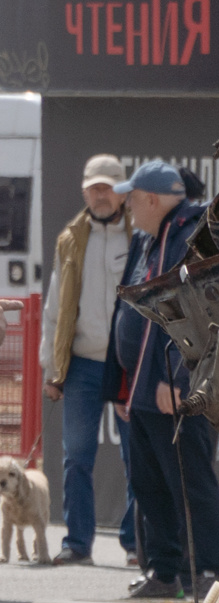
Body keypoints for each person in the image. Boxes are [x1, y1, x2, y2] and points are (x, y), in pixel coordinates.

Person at [103, 160, 219, 600]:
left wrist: (176, 379)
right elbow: (129, 310)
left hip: (177, 390)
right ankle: (163, 569)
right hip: (139, 391)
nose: (128, 207)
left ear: (152, 200)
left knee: (190, 482)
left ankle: (209, 569)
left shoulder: (192, 239)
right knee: (149, 483)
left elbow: (195, 316)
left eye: (133, 199)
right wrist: (120, 386)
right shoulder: (145, 240)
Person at [39, 154, 133, 566]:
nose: (101, 194)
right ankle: (77, 544)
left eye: (108, 187)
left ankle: (137, 545)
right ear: (84, 191)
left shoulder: (140, 236)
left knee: (138, 457)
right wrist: (52, 369)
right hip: (81, 363)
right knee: (77, 456)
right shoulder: (70, 239)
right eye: (94, 187)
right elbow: (54, 309)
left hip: (129, 362)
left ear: (122, 191)